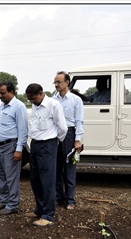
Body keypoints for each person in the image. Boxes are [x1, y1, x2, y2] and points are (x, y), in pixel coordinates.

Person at [25, 83, 67, 227]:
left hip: (48, 145)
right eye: (30, 100)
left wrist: (55, 141)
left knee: (47, 181)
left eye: (34, 98)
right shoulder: (36, 106)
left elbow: (63, 127)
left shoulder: (53, 105)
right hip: (35, 145)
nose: (32, 101)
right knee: (35, 179)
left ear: (41, 93)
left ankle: (48, 215)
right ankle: (40, 209)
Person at [0, 81, 28, 215]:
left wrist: (19, 149)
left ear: (12, 92)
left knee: (11, 177)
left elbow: (23, 130)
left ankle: (12, 204)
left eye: (3, 93)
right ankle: (3, 201)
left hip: (10, 146)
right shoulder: (2, 106)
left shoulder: (19, 106)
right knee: (0, 175)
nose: (0, 96)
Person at [53, 72, 84, 210]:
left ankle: (70, 200)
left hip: (70, 135)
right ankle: (59, 197)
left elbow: (79, 121)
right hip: (56, 135)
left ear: (67, 82)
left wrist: (77, 140)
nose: (56, 85)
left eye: (59, 82)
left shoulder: (76, 100)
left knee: (69, 168)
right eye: (55, 82)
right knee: (56, 168)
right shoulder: (53, 100)